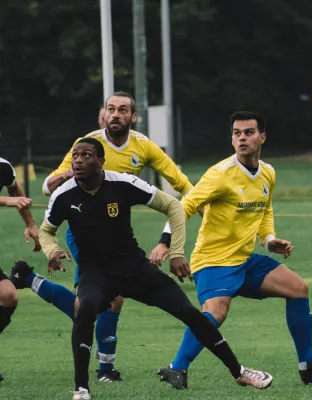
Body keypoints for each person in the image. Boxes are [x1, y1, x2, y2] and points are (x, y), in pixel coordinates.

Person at [38, 138, 272, 400]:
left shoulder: (123, 183)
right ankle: (81, 389)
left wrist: (175, 252)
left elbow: (173, 205)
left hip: (135, 269)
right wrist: (53, 251)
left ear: (101, 161)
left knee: (189, 313)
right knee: (84, 311)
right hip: (96, 274)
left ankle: (238, 370)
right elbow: (46, 231)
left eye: (86, 155)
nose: (78, 160)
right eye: (75, 156)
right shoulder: (63, 194)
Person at [150, 111, 312, 389]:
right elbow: (183, 206)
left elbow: (265, 209)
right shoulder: (219, 174)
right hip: (213, 260)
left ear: (262, 137)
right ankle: (176, 368)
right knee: (216, 313)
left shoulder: (268, 173)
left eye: (248, 132)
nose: (242, 138)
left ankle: (308, 364)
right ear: (232, 140)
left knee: (298, 288)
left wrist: (269, 240)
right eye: (236, 133)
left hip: (245, 260)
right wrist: (165, 242)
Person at [10, 92, 194, 382]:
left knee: (91, 306)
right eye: (111, 109)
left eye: (122, 110)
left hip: (119, 237)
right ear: (104, 114)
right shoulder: (87, 145)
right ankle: (105, 370)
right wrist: (67, 174)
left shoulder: (144, 146)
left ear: (133, 117)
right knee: (105, 302)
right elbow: (47, 186)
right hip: (84, 232)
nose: (115, 115)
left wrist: (170, 235)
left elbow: (183, 187)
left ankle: (29, 279)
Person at [0, 155, 41, 382]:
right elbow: (12, 198)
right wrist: (8, 201)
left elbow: (15, 189)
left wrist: (31, 224)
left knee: (7, 295)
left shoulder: (2, 166)